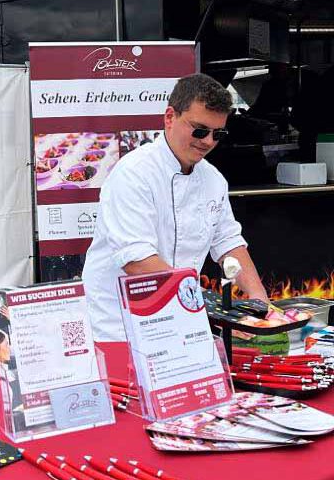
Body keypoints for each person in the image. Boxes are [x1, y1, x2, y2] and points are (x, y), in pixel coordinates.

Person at [82, 73, 268, 341]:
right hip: (121, 324)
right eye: (200, 130)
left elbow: (228, 244)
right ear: (170, 117)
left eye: (218, 134)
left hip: (181, 319)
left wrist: (260, 302)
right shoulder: (134, 174)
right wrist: (203, 306)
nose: (208, 141)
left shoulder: (213, 179)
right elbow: (137, 260)